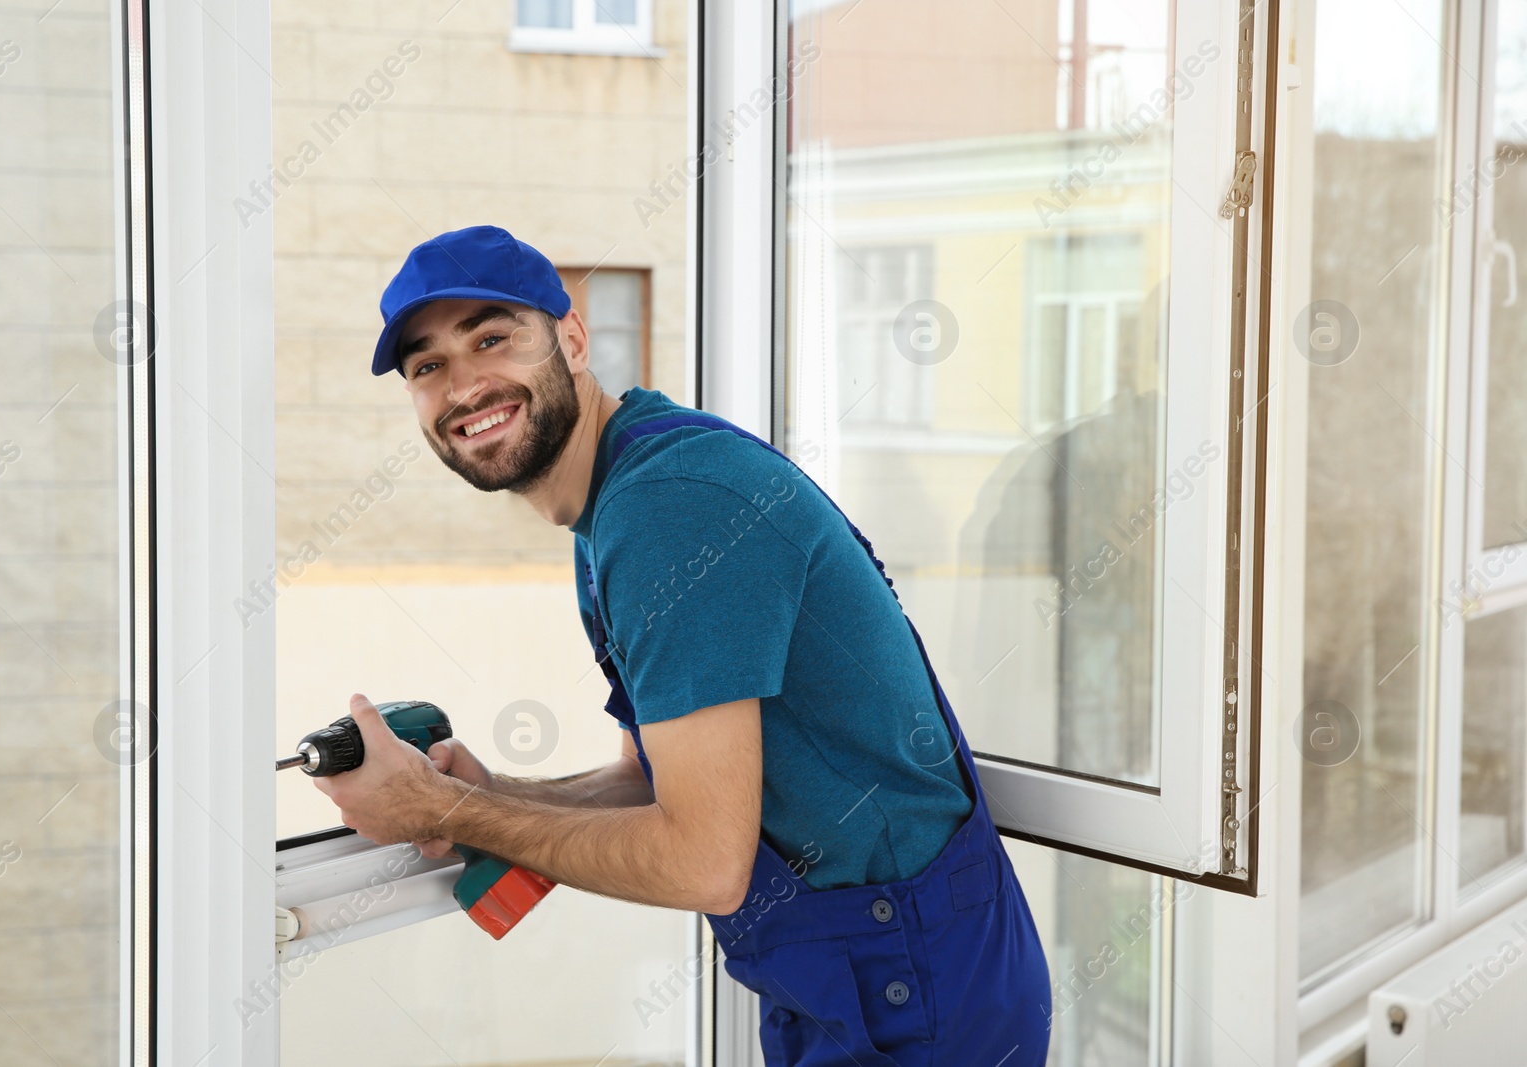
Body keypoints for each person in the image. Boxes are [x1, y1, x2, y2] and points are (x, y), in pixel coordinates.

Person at [314, 225, 1052, 1065]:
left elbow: (704, 861)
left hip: (912, 984)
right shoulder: (615, 500)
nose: (464, 383)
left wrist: (444, 810)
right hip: (861, 970)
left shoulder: (667, 510)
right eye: (427, 366)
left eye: (492, 337)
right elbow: (647, 778)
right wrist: (504, 795)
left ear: (573, 339)